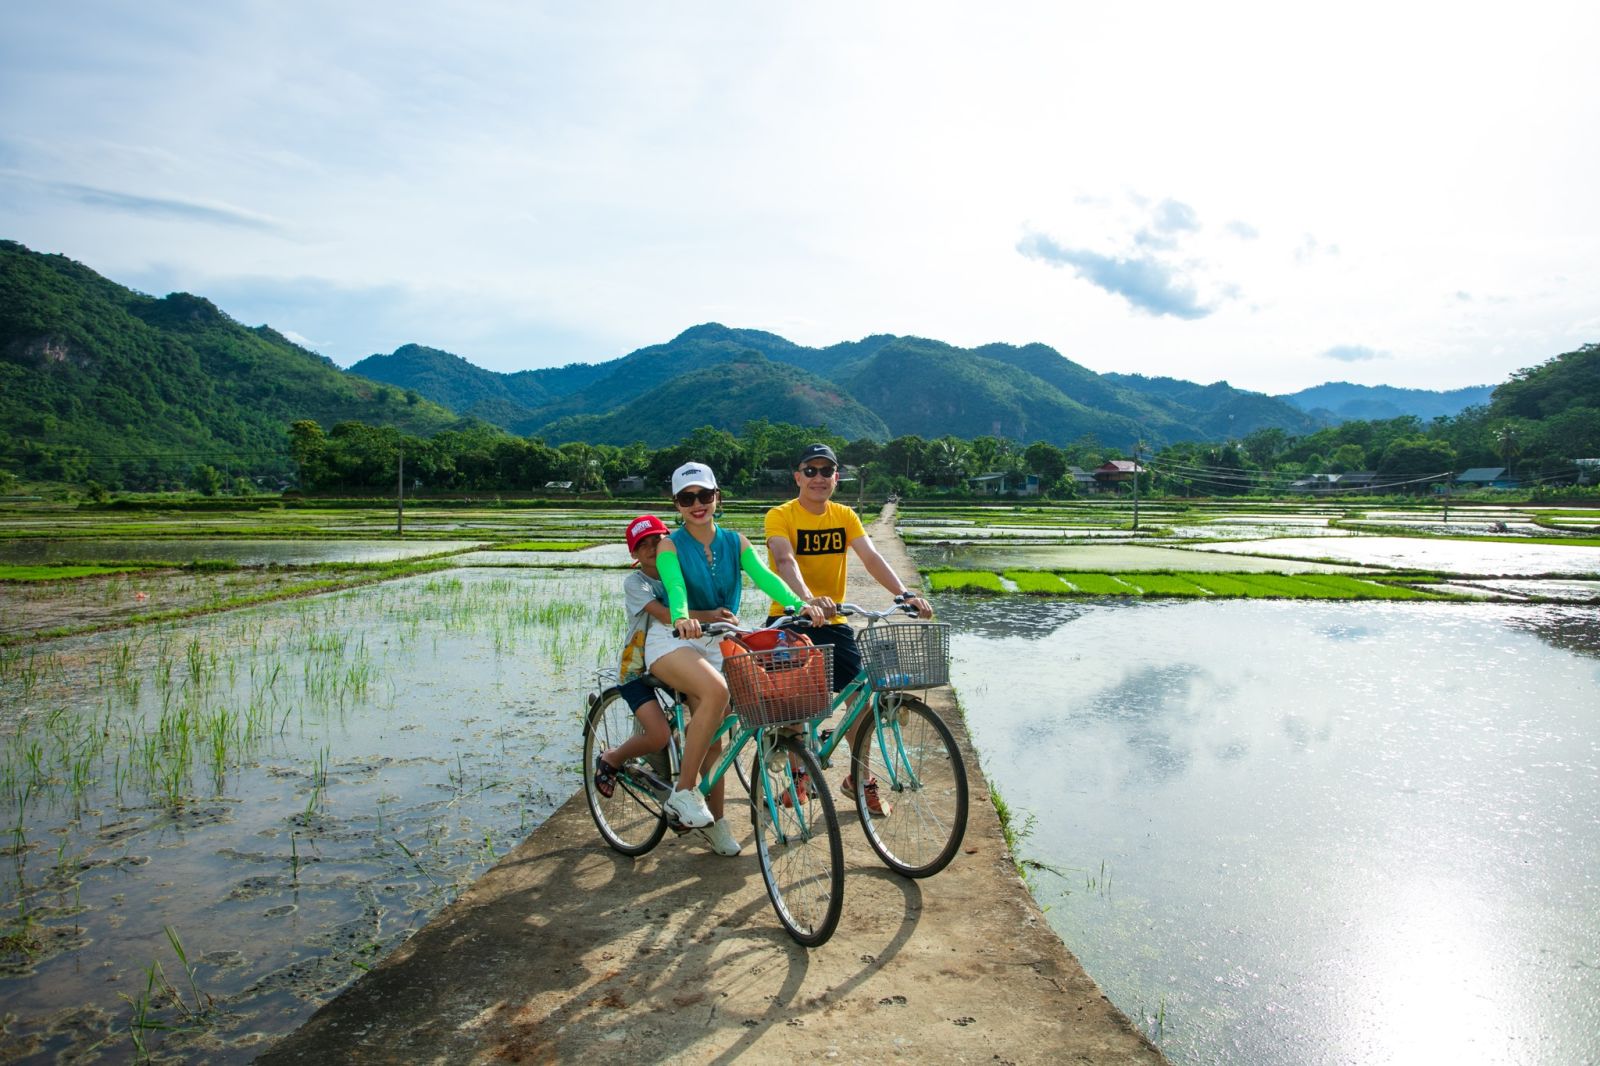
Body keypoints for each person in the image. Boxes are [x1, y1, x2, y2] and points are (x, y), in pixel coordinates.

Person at [650, 462, 826, 850]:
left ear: (717, 497)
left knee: (715, 739)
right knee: (717, 694)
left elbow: (765, 576)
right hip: (674, 641)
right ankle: (682, 793)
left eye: (704, 495)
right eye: (687, 498)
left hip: (720, 641)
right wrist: (682, 617)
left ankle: (715, 822)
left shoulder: (736, 542)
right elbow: (675, 587)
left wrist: (800, 603)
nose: (697, 504)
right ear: (676, 504)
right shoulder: (669, 545)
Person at [765, 443, 932, 816]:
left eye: (827, 472)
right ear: (798, 476)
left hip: (834, 620)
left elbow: (871, 556)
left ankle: (860, 779)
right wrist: (807, 600)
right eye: (811, 471)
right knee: (797, 702)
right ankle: (797, 779)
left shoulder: (844, 516)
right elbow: (783, 558)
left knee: (862, 697)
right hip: (791, 618)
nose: (819, 478)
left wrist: (904, 593)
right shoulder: (781, 515)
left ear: (837, 478)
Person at [593, 513, 743, 855]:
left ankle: (716, 823)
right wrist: (713, 615)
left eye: (655, 540)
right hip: (639, 669)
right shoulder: (637, 583)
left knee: (713, 743)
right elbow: (666, 614)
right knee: (658, 735)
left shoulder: (680, 572)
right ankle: (612, 758)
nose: (650, 548)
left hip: (682, 659)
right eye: (641, 544)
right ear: (634, 552)